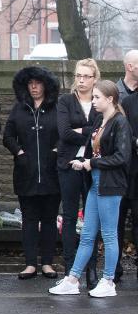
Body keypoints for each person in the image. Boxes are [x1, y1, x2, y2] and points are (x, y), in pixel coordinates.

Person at [49, 80, 132, 298]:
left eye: (97, 97)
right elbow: (91, 151)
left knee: (109, 235)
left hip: (110, 185)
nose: (92, 101)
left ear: (110, 99)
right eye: (93, 97)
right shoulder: (99, 121)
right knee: (87, 235)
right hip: (95, 183)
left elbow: (122, 157)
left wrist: (90, 164)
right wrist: (82, 161)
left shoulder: (120, 122)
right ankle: (72, 279)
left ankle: (108, 281)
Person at [2, 66, 61, 280]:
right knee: (28, 220)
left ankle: (47, 263)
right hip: (25, 174)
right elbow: (7, 136)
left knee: (49, 219)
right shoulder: (19, 108)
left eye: (38, 82)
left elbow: (67, 133)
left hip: (51, 174)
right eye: (30, 83)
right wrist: (19, 153)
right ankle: (30, 264)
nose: (34, 87)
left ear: (46, 85)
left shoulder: (57, 108)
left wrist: (56, 151)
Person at [55, 58, 102, 285]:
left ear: (95, 79)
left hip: (93, 166)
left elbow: (103, 131)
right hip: (68, 165)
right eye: (79, 76)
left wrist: (83, 130)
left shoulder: (99, 102)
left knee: (93, 218)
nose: (82, 80)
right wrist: (91, 132)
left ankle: (92, 269)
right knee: (70, 216)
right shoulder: (65, 101)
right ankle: (70, 270)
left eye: (86, 76)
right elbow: (64, 133)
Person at [119, 89, 138, 282]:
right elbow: (123, 131)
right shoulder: (129, 102)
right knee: (120, 222)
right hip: (129, 171)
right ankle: (114, 269)